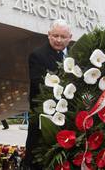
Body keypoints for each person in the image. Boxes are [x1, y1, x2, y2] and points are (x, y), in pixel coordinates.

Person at [25, 19, 72, 169]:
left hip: (70, 121)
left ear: (70, 37)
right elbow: (38, 84)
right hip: (43, 122)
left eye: (63, 37)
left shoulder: (77, 56)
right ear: (48, 35)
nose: (59, 40)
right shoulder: (37, 56)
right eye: (55, 35)